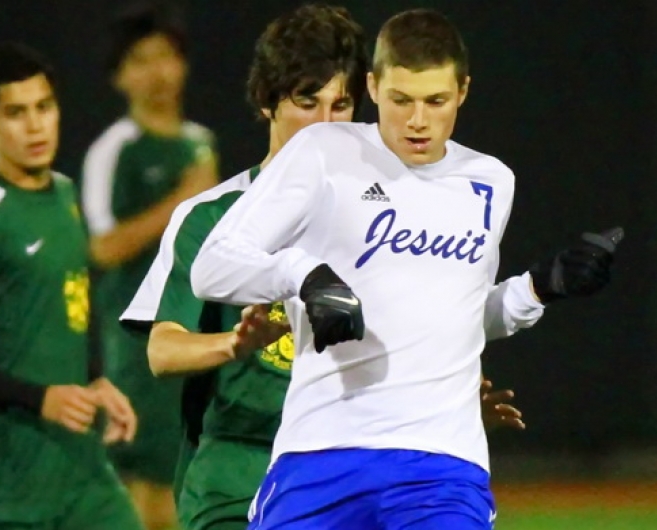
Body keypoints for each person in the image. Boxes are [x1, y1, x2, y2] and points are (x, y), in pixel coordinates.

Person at [189, 8, 621, 530]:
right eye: (401, 100)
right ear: (372, 86)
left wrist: (539, 287)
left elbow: (456, 316)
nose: (418, 120)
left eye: (435, 101)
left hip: (440, 463)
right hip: (322, 447)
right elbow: (212, 266)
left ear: (463, 90)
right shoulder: (325, 151)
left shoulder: (490, 181)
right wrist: (303, 275)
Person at [122, 6, 528, 530]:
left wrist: (445, 395)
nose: (325, 123)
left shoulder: (381, 201)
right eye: (306, 102)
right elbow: (162, 349)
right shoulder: (213, 217)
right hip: (241, 467)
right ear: (268, 102)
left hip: (350, 451)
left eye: (341, 105)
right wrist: (236, 344)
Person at [0, 42, 141, 530]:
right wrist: (42, 399)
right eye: (15, 113)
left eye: (44, 107)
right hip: (2, 485)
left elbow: (70, 303)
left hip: (78, 474)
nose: (35, 125)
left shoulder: (62, 192)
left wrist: (96, 379)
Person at [80, 3, 219, 528]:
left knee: (185, 482)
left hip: (194, 331)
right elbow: (103, 247)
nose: (157, 71)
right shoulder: (115, 149)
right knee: (148, 489)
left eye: (167, 57)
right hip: (139, 342)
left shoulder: (199, 142)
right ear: (119, 76)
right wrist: (181, 202)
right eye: (140, 60)